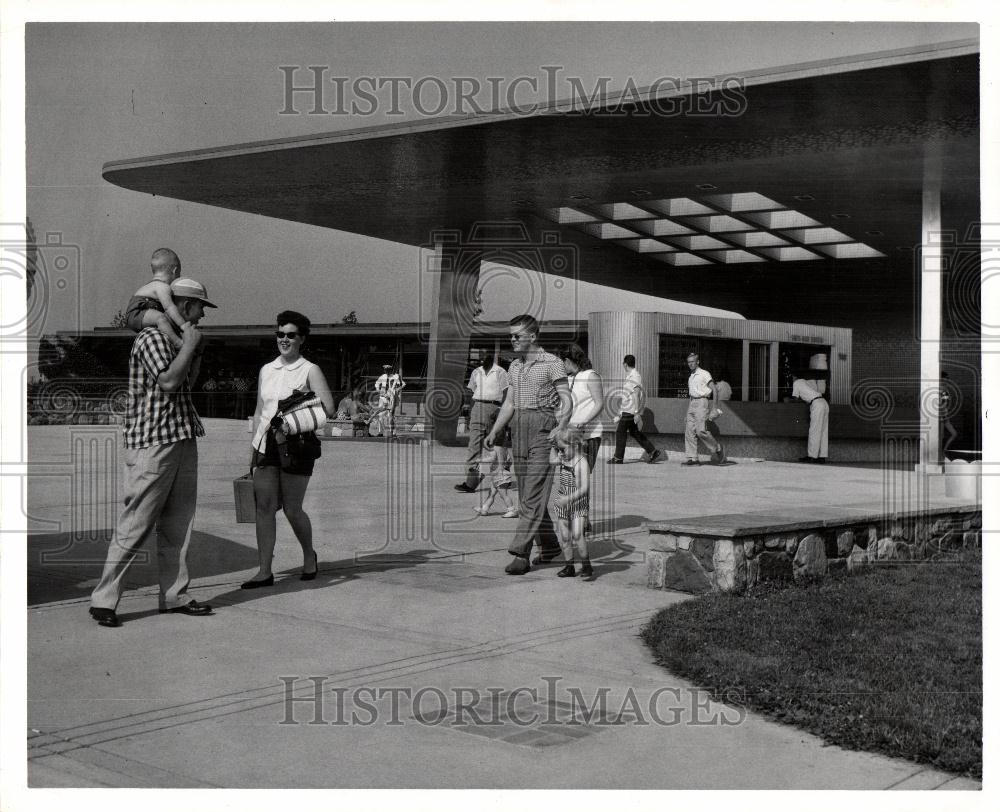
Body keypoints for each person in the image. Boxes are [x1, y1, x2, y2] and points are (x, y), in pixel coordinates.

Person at [88, 277, 218, 628]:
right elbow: (170, 382)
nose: (201, 315)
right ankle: (104, 599)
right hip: (154, 442)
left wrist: (195, 349)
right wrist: (190, 346)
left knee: (179, 524)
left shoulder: (173, 339)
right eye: (200, 308)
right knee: (136, 523)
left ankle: (174, 594)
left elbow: (188, 381)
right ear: (185, 305)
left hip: (180, 435)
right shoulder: (153, 338)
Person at [242, 311, 335, 589]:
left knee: (293, 509)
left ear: (301, 339)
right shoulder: (267, 370)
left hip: (297, 445)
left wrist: (295, 410)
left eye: (291, 335)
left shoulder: (310, 369)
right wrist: (253, 449)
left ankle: (309, 555)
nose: (284, 339)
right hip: (266, 444)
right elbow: (260, 411)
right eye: (280, 334)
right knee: (264, 508)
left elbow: (328, 408)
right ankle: (264, 571)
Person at [485, 314, 572, 575]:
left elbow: (566, 398)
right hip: (518, 428)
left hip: (543, 427)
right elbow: (510, 403)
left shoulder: (553, 363)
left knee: (533, 493)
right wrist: (495, 430)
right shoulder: (514, 366)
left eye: (516, 336)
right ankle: (549, 546)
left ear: (532, 337)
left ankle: (520, 553)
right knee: (527, 496)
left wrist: (561, 425)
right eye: (510, 335)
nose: (512, 340)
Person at [456, 353, 510, 493]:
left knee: (497, 445)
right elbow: (472, 391)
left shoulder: (500, 372)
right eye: (482, 357)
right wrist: (469, 411)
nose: (484, 359)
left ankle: (504, 476)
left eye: (487, 356)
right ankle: (470, 482)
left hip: (495, 407)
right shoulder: (476, 372)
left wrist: (501, 410)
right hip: (477, 407)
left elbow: (506, 393)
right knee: (474, 445)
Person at [123, 248, 189, 350]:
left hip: (134, 314)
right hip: (136, 312)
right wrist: (183, 325)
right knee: (160, 318)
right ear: (175, 271)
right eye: (179, 274)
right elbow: (170, 308)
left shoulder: (151, 285)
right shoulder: (162, 287)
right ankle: (177, 343)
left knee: (162, 319)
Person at [550, 428, 593, 579]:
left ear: (574, 445)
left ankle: (586, 566)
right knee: (565, 536)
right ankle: (569, 567)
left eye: (562, 449)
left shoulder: (582, 463)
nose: (560, 453)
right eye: (558, 449)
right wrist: (553, 446)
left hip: (577, 503)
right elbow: (552, 460)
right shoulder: (563, 458)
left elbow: (585, 488)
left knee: (577, 534)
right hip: (563, 502)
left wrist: (569, 499)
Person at [559, 343, 605, 472]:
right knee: (568, 477)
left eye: (562, 363)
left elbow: (599, 403)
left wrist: (583, 422)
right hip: (569, 435)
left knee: (581, 476)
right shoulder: (568, 378)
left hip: (588, 436)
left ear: (567, 360)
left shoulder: (590, 376)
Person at [608, 354, 661, 464]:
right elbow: (626, 396)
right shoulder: (630, 376)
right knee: (634, 432)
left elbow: (636, 394)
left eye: (623, 364)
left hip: (631, 410)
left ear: (625, 364)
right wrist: (619, 413)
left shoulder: (635, 376)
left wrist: (637, 413)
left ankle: (618, 458)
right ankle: (652, 451)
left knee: (620, 432)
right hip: (627, 409)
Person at [683, 352, 725, 466]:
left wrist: (714, 408)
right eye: (689, 362)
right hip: (692, 403)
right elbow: (691, 395)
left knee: (701, 431)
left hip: (702, 402)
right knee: (689, 431)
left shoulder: (704, 374)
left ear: (698, 362)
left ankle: (717, 448)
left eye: (693, 362)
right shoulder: (691, 377)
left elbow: (714, 390)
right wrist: (688, 411)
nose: (690, 364)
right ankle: (693, 458)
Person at [791, 371, 829, 463]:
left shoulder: (796, 383)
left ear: (795, 377)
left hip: (816, 404)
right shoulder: (806, 382)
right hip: (824, 403)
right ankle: (822, 457)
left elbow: (795, 398)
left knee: (814, 430)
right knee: (823, 431)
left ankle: (812, 456)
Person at [472, 443, 518, 518]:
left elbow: (492, 458)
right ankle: (484, 509)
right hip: (501, 474)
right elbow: (510, 461)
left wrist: (480, 460)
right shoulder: (504, 448)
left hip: (500, 476)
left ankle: (512, 510)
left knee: (503, 495)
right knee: (491, 494)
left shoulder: (496, 447)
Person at [373, 364, 406, 438]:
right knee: (380, 415)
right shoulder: (382, 377)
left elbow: (403, 384)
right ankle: (380, 432)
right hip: (383, 398)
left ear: (390, 370)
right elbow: (376, 384)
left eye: (388, 370)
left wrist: (397, 390)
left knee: (391, 415)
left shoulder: (395, 377)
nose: (386, 371)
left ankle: (393, 433)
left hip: (391, 398)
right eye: (385, 370)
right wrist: (379, 391)